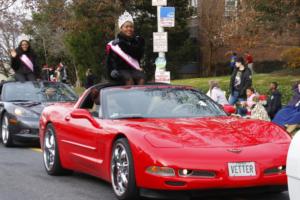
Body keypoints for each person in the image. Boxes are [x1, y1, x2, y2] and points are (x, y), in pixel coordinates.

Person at [105, 11, 145, 85]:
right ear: (121, 28)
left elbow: (138, 54)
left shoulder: (137, 41)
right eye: (126, 27)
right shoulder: (114, 44)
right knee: (128, 79)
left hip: (133, 69)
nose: (129, 29)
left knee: (141, 77)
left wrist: (123, 44)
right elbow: (110, 61)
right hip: (120, 70)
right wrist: (112, 70)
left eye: (131, 27)